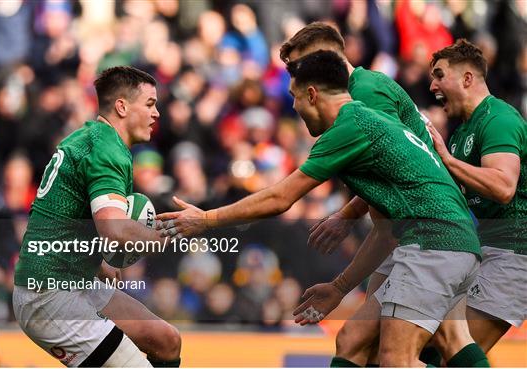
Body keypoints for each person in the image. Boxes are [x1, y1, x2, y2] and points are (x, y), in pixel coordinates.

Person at [157, 50, 482, 367]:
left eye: (295, 96)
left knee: (397, 359)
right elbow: (386, 232)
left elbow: (280, 198)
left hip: (432, 246)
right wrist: (340, 287)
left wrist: (206, 219)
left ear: (311, 94)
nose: (294, 106)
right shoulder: (371, 120)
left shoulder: (349, 126)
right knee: (354, 339)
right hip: (449, 241)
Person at [279, 22, 487, 367]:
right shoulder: (365, 88)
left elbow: (399, 166)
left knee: (397, 354)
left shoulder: (365, 93)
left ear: (325, 59)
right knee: (360, 340)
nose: (298, 81)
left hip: (423, 233)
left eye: (301, 68)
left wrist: (346, 215)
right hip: (426, 228)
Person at [13, 66, 181, 367]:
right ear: (122, 106)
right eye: (150, 104)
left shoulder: (92, 137)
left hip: (72, 278)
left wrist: (97, 260)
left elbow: (67, 213)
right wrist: (169, 236)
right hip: (49, 295)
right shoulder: (106, 150)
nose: (157, 114)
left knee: (166, 341)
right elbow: (115, 230)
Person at [427, 39, 527, 355]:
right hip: (485, 253)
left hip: (514, 252)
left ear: (467, 78)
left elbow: (503, 187)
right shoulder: (460, 134)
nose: (432, 86)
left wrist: (448, 160)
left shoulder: (499, 118)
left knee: (454, 349)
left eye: (440, 75)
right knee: (425, 344)